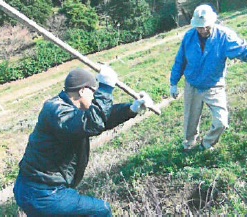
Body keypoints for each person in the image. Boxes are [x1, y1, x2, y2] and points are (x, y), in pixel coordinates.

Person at [13, 65, 154, 216]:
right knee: (101, 210)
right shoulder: (56, 111)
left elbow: (98, 120)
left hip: (34, 189)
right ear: (82, 91)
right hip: (43, 193)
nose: (94, 97)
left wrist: (131, 109)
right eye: (93, 92)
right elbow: (92, 123)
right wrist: (105, 88)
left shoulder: (70, 110)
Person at [170, 4, 247, 151]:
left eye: (206, 26)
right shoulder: (189, 37)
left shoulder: (224, 36)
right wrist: (173, 83)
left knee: (221, 122)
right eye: (199, 27)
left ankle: (206, 144)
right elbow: (180, 60)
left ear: (212, 22)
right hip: (192, 85)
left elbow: (242, 51)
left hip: (214, 86)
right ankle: (188, 145)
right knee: (190, 123)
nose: (203, 30)